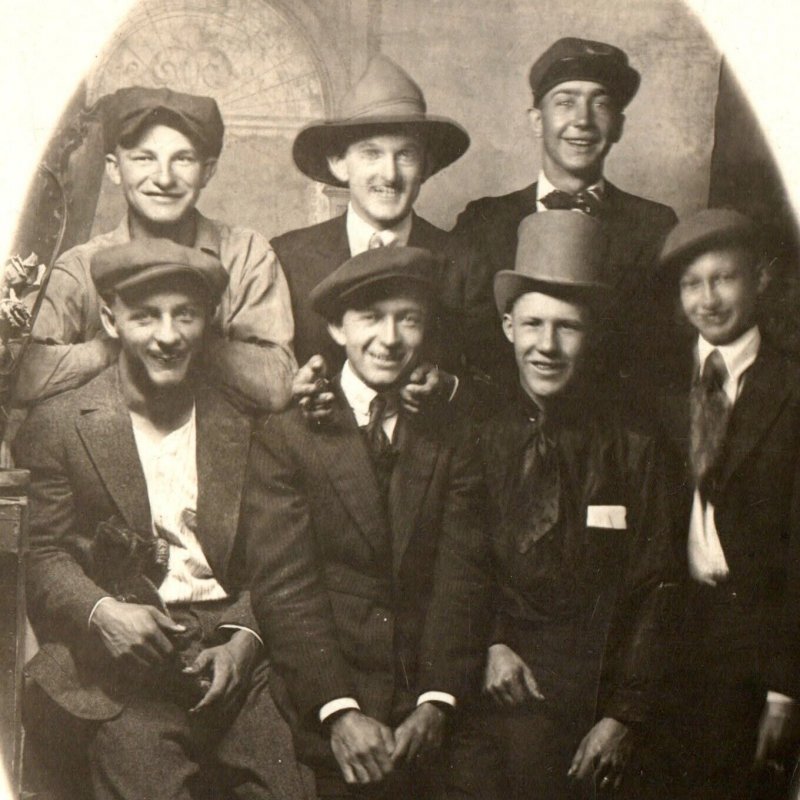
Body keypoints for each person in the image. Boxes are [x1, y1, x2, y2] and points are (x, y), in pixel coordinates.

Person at [15, 239, 309, 800]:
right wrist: (102, 612)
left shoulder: (244, 423)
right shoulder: (60, 424)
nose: (168, 336)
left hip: (232, 654)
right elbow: (44, 555)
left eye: (186, 315)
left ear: (210, 321)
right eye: (145, 316)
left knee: (286, 788)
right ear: (110, 317)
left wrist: (243, 640)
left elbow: (276, 558)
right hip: (124, 669)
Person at [442, 211, 679, 800]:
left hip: (592, 706)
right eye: (533, 325)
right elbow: (454, 559)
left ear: (593, 333)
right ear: (506, 327)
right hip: (485, 685)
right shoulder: (473, 431)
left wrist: (624, 718)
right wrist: (491, 643)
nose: (546, 347)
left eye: (568, 328)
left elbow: (658, 586)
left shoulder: (633, 444)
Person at [241, 246, 490, 798]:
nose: (390, 337)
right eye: (371, 318)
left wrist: (437, 702)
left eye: (409, 319)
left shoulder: (451, 436)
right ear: (336, 327)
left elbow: (463, 579)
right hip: (326, 699)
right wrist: (340, 714)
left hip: (427, 700)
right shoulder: (287, 437)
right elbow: (285, 588)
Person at [643, 209, 800, 799]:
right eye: (691, 283)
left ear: (760, 278)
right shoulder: (656, 384)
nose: (707, 299)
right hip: (668, 633)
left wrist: (785, 691)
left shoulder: (792, 386)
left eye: (724, 278)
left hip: (757, 643)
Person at [13, 86, 296, 412]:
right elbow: (19, 376)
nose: (163, 178)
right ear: (114, 168)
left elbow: (279, 385)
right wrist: (115, 348)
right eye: (144, 158)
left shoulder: (246, 255)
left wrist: (187, 340)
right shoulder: (79, 267)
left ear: (208, 171)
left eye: (183, 159)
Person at [271, 55, 495, 417]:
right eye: (371, 154)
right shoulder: (288, 258)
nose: (389, 174)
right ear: (339, 164)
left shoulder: (463, 261)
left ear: (425, 166)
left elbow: (495, 384)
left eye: (405, 155)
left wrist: (449, 387)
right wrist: (293, 393)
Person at [451, 37, 678, 391]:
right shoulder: (483, 222)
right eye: (565, 102)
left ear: (618, 126)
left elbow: (662, 358)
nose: (583, 120)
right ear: (537, 121)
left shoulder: (656, 227)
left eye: (600, 104)